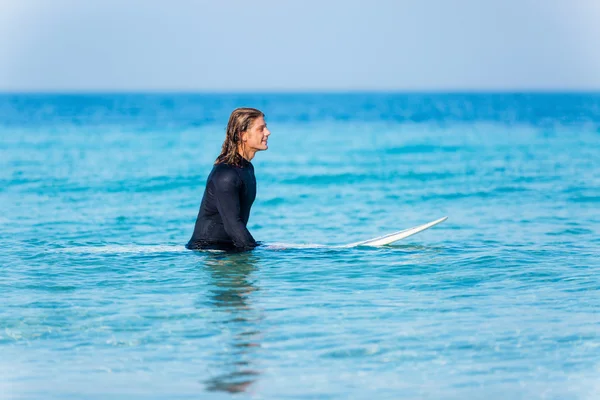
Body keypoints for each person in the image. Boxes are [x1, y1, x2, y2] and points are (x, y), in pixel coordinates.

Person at [186, 108, 271, 251]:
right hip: (210, 251)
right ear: (243, 135)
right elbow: (233, 224)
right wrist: (257, 251)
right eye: (261, 129)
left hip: (229, 247)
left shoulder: (246, 168)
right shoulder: (226, 174)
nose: (268, 132)